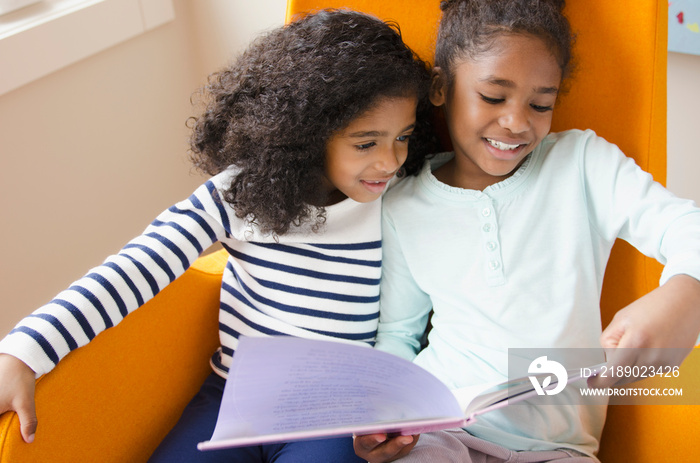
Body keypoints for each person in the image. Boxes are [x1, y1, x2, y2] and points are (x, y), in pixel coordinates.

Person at [0, 9, 437, 463]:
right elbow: (136, 267)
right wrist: (25, 351)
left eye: (403, 137)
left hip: (332, 415)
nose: (390, 161)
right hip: (232, 397)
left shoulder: (398, 199)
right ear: (307, 135)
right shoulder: (239, 193)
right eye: (366, 143)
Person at [354, 0, 700, 462]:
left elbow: (685, 227)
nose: (517, 122)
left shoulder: (582, 163)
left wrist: (687, 290)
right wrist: (383, 414)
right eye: (493, 97)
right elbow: (398, 334)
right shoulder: (403, 203)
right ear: (440, 86)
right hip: (442, 430)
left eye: (541, 104)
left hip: (560, 447)